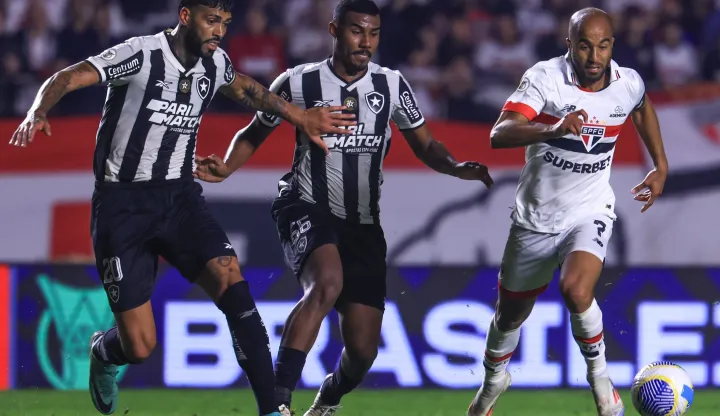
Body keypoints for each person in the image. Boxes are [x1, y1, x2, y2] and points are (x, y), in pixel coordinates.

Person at [8, 1, 356, 415]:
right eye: (212, 21)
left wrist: (299, 116)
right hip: (123, 206)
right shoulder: (140, 55)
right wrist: (37, 109)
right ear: (186, 16)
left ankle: (271, 409)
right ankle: (104, 352)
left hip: (179, 197)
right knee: (139, 345)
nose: (219, 32)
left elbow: (244, 87)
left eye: (225, 24)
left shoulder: (215, 64)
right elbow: (69, 76)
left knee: (231, 281)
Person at [193, 0, 494, 414]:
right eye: (356, 31)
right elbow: (255, 130)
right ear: (334, 31)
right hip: (305, 204)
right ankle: (276, 402)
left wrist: (455, 167)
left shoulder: (391, 85)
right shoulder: (298, 82)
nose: (365, 41)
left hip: (363, 224)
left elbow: (424, 144)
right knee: (326, 283)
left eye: (373, 33)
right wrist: (226, 166)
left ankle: (329, 397)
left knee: (363, 351)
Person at [467, 7, 668, 416]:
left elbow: (642, 107)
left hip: (589, 209)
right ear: (569, 45)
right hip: (535, 219)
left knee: (576, 290)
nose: (595, 56)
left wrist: (660, 165)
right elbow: (498, 133)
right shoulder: (544, 79)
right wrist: (554, 128)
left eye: (604, 45)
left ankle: (600, 380)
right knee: (509, 318)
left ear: (613, 44)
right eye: (585, 46)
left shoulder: (626, 82)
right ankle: (492, 385)